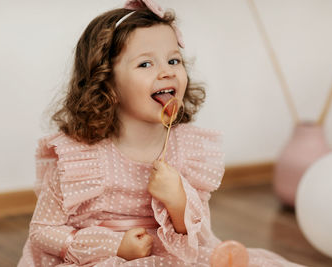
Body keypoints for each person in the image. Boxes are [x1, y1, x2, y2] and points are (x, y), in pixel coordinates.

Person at [18, 0, 304, 266]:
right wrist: (113, 245)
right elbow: (42, 231)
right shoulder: (80, 157)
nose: (167, 72)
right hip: (106, 258)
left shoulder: (187, 149)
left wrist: (178, 200)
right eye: (145, 63)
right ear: (106, 84)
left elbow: (199, 233)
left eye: (174, 60)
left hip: (173, 256)